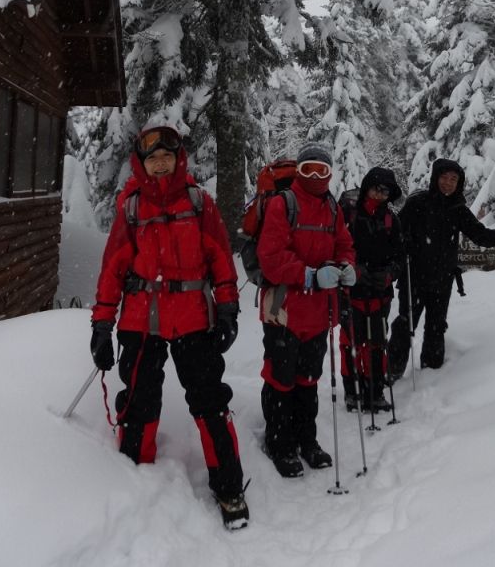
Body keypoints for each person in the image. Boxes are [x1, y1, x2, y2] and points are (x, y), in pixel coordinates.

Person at [89, 124, 248, 530]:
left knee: (210, 403)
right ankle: (133, 479)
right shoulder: (132, 207)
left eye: (167, 157)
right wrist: (102, 325)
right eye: (152, 158)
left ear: (179, 159)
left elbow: (220, 261)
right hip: (142, 323)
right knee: (140, 404)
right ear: (141, 164)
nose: (160, 164)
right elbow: (113, 270)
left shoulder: (199, 203)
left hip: (194, 320)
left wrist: (228, 308)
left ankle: (229, 488)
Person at [256, 143, 356, 479]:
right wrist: (310, 274)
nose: (315, 176)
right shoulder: (283, 204)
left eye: (322, 170)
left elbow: (344, 243)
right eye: (309, 169)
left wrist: (347, 266)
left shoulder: (331, 207)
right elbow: (270, 258)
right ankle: (280, 444)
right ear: (299, 171)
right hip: (283, 308)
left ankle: (307, 440)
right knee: (281, 379)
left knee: (309, 379)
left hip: (316, 311)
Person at [387, 158, 495, 379]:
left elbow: (480, 235)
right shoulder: (417, 202)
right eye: (444, 178)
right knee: (405, 324)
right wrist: (405, 243)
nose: (448, 183)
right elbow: (396, 233)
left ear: (459, 183)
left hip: (442, 279)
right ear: (435, 178)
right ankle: (392, 369)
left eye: (453, 179)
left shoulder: (457, 209)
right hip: (414, 277)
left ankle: (432, 370)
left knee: (436, 326)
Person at [338, 167, 405, 412]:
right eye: (376, 188)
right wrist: (352, 271)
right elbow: (336, 249)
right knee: (351, 342)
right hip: (351, 293)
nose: (380, 194)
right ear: (367, 186)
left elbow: (400, 256)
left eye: (385, 191)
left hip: (380, 293)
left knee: (377, 343)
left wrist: (389, 275)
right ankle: (353, 391)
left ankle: (375, 390)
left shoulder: (391, 220)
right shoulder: (348, 214)